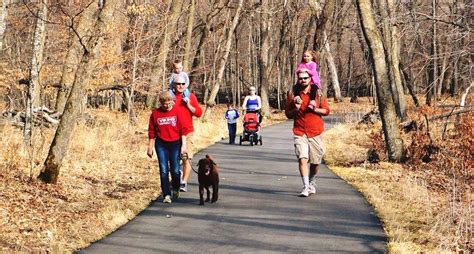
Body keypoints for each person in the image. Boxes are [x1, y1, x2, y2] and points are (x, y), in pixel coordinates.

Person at [285, 69, 330, 197]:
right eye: (300, 78)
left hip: (315, 131)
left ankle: (311, 181)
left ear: (310, 78)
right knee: (302, 158)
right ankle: (305, 186)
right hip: (299, 132)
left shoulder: (318, 94)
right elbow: (288, 114)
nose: (303, 80)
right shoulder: (293, 94)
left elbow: (326, 111)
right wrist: (295, 109)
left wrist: (315, 108)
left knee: (315, 162)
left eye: (305, 78)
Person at [147, 91, 190, 203]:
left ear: (172, 101)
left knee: (175, 170)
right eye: (164, 103)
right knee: (164, 170)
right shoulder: (155, 114)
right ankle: (166, 194)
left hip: (176, 143)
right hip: (161, 144)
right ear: (160, 103)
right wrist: (150, 147)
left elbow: (184, 130)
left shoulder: (178, 111)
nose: (167, 106)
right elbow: (151, 131)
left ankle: (175, 188)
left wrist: (184, 146)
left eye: (169, 103)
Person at [172, 74, 203, 192]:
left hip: (187, 131)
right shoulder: (170, 97)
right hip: (172, 133)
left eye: (182, 84)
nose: (180, 86)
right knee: (174, 159)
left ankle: (184, 182)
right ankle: (177, 175)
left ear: (186, 85)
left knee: (187, 158)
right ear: (174, 85)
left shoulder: (190, 97)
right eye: (178, 84)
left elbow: (199, 113)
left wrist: (188, 105)